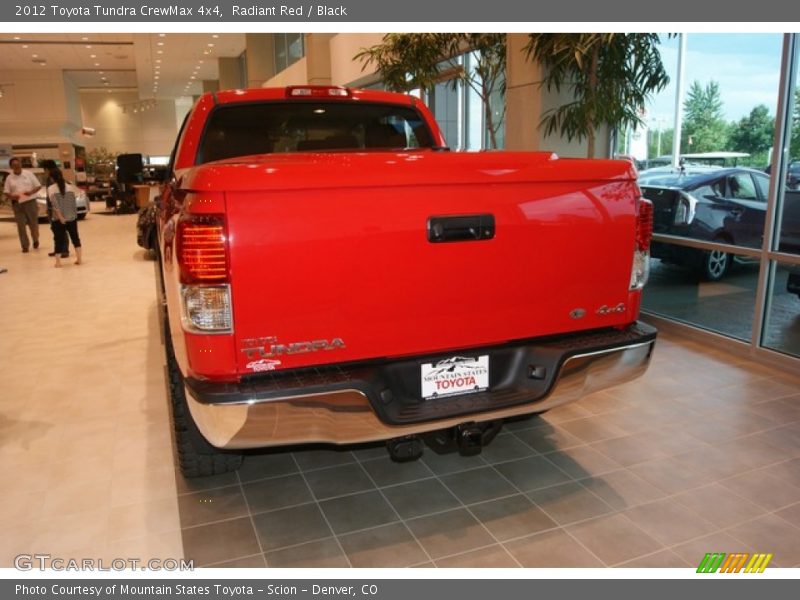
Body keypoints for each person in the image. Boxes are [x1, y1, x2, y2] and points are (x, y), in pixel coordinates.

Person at [2, 157, 42, 253]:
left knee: (33, 225)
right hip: (17, 204)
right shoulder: (9, 178)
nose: (16, 166)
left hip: (30, 202)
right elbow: (6, 192)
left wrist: (31, 192)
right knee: (21, 226)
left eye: (18, 164)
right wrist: (12, 197)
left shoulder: (29, 174)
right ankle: (25, 246)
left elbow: (38, 186)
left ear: (21, 164)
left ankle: (35, 239)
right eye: (14, 165)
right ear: (11, 167)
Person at [48, 168, 83, 267]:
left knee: (58, 239)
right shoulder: (70, 186)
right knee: (75, 238)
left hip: (58, 218)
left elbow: (55, 204)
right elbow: (73, 202)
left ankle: (58, 262)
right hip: (71, 216)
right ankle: (79, 259)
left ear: (52, 178)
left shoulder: (51, 188)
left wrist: (60, 217)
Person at [41, 160, 69, 259]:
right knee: (56, 229)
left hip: (56, 207)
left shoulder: (53, 177)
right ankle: (58, 249)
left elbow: (54, 194)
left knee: (60, 229)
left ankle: (64, 250)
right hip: (52, 207)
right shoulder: (52, 177)